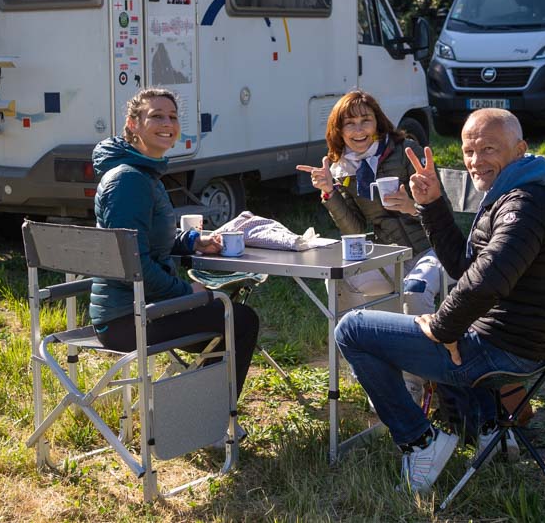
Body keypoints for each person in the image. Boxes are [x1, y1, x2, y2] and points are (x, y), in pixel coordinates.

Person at [333, 108, 545, 494]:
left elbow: (486, 279)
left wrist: (442, 326)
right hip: (524, 343)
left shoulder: (523, 205)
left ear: (520, 148)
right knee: (429, 322)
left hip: (507, 351)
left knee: (353, 330)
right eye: (468, 151)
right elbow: (465, 266)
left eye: (489, 149)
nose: (476, 161)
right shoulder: (518, 190)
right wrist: (432, 204)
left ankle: (420, 441)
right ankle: (488, 430)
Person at [89, 88, 260, 403]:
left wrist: (195, 240)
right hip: (127, 319)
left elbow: (147, 240)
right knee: (238, 319)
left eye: (172, 116)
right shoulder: (128, 180)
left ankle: (199, 412)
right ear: (133, 124)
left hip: (137, 307)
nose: (167, 123)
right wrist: (185, 293)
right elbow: (133, 266)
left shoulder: (142, 173)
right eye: (156, 116)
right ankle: (204, 415)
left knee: (225, 312)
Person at [297, 90, 443, 403]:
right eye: (350, 124)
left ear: (377, 122)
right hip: (388, 254)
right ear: (339, 131)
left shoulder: (406, 151)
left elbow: (443, 208)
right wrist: (329, 192)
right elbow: (355, 229)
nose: (359, 130)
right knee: (337, 282)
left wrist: (411, 207)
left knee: (415, 293)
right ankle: (366, 365)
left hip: (430, 250)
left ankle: (415, 386)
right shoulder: (342, 168)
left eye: (366, 120)